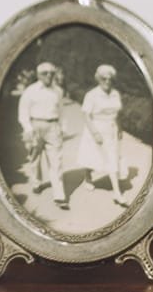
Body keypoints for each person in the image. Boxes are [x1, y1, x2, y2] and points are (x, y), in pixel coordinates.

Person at [17, 62, 68, 208]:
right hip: (35, 126)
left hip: (53, 126)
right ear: (38, 75)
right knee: (34, 158)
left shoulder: (58, 91)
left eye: (51, 73)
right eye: (45, 73)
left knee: (56, 161)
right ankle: (36, 182)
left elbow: (62, 110)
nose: (49, 76)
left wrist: (62, 128)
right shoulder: (30, 91)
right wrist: (28, 128)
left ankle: (59, 196)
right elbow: (23, 112)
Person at [77, 64, 128, 207]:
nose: (107, 81)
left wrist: (119, 128)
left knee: (112, 159)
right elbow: (86, 115)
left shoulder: (115, 94)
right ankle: (89, 178)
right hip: (96, 128)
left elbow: (117, 113)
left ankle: (116, 193)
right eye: (103, 78)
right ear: (98, 79)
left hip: (111, 129)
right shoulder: (91, 95)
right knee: (92, 155)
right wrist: (95, 133)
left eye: (110, 79)